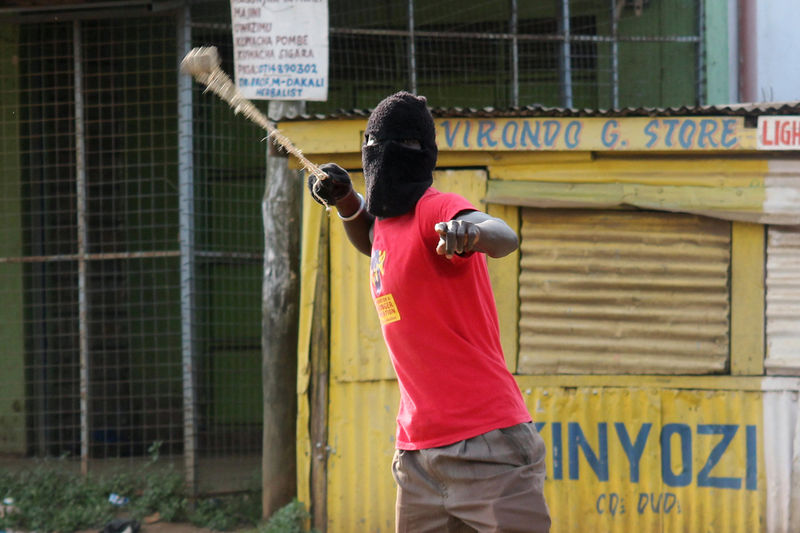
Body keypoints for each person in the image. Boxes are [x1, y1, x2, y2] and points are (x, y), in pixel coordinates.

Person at [308, 91, 550, 533]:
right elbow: (372, 243)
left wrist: (468, 233)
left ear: (423, 153)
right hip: (418, 456)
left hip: (487, 443)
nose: (383, 156)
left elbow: (504, 235)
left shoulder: (434, 210)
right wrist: (346, 202)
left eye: (399, 144)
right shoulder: (385, 224)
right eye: (375, 145)